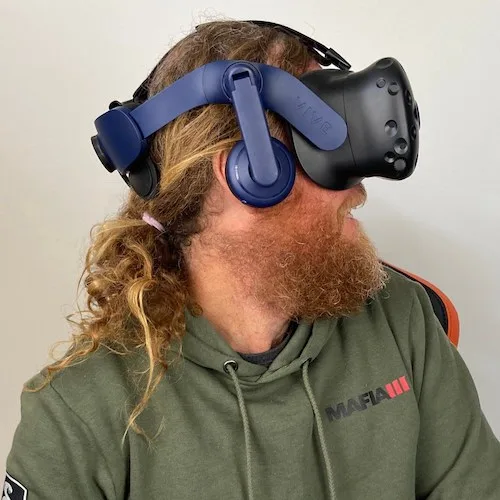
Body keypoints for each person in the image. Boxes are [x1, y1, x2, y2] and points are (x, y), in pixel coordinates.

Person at [4, 20, 500, 500]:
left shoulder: (400, 317)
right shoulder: (78, 413)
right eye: (329, 151)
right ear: (250, 174)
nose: (360, 191)